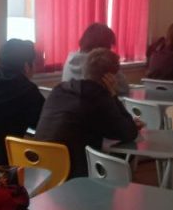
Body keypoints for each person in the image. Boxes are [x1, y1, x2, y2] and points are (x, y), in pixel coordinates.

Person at [35, 48, 140, 178]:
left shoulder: (60, 89)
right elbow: (129, 133)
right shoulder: (99, 97)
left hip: (41, 167)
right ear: (111, 77)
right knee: (124, 154)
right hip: (71, 172)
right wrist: (113, 95)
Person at [62, 23, 128, 95]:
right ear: (104, 46)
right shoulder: (100, 62)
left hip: (68, 101)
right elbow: (124, 88)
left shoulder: (69, 59)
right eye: (109, 46)